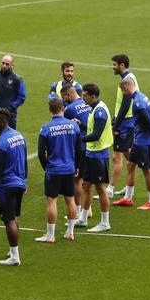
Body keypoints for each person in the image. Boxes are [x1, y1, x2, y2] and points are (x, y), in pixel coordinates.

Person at [113, 76, 150, 210]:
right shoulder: (142, 97)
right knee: (130, 166)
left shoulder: (137, 102)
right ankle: (128, 198)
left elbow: (148, 121)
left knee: (147, 169)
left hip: (144, 141)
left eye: (123, 91)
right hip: (139, 140)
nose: (123, 95)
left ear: (126, 87)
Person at [36, 98, 84, 243]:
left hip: (53, 170)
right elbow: (79, 149)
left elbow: (40, 153)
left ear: (50, 110)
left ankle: (50, 235)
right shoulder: (74, 126)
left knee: (52, 201)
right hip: (69, 169)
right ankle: (70, 232)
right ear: (63, 108)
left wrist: (46, 167)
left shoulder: (45, 128)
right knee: (70, 200)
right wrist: (76, 166)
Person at [0, 108, 27, 266]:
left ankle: (15, 256)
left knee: (8, 220)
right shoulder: (19, 136)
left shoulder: (0, 143)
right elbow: (24, 161)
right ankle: (13, 250)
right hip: (20, 182)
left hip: (7, 185)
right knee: (14, 218)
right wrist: (25, 179)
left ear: (2, 121)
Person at [77, 84, 113, 233]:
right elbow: (92, 129)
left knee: (100, 188)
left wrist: (79, 139)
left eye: (85, 96)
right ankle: (83, 218)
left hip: (98, 155)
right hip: (92, 153)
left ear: (93, 96)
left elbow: (96, 135)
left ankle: (105, 222)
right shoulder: (95, 108)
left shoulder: (100, 112)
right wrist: (81, 125)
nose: (82, 98)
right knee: (86, 184)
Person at [61, 85, 93, 221]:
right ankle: (88, 209)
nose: (64, 100)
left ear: (69, 95)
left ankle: (78, 212)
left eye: (64, 97)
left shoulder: (69, 109)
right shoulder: (89, 104)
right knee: (88, 181)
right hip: (92, 145)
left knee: (76, 180)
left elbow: (69, 131)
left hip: (80, 147)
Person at [109, 54, 139, 198]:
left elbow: (126, 104)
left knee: (117, 156)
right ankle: (129, 187)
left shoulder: (127, 80)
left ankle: (110, 188)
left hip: (125, 123)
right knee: (128, 156)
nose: (113, 67)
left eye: (114, 65)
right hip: (126, 122)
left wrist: (116, 124)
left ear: (122, 65)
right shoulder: (128, 78)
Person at [0, 55, 26, 129]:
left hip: (9, 114)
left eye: (7, 64)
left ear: (12, 65)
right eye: (2, 63)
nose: (4, 66)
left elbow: (22, 96)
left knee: (10, 136)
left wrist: (11, 106)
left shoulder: (17, 79)